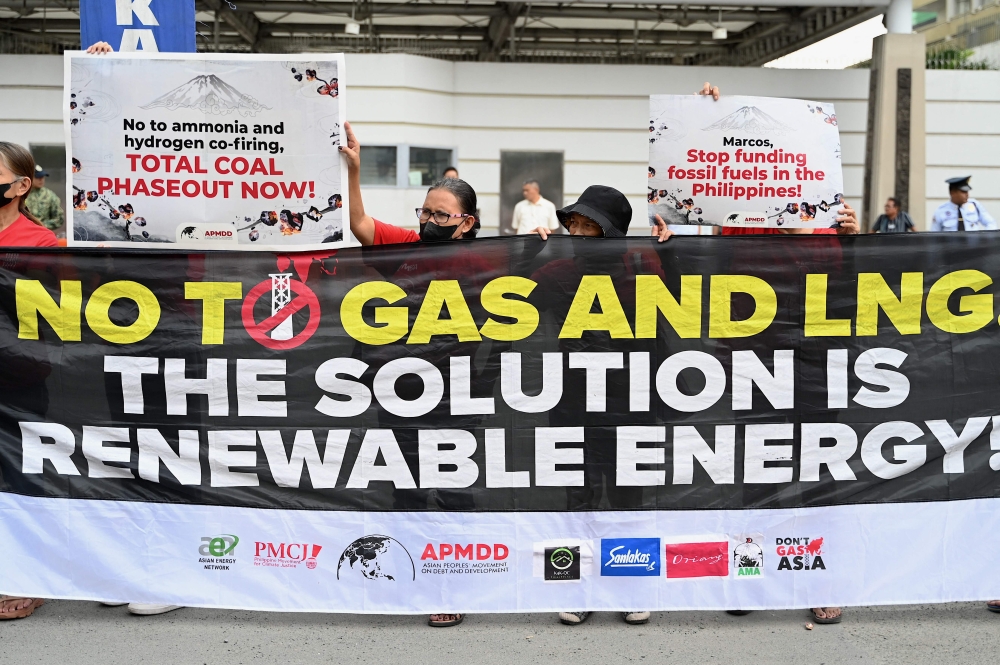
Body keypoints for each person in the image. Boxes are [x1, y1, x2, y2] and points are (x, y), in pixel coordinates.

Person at [0, 142, 58, 621]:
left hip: (16, 375)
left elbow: (59, 313)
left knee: (20, 475)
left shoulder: (41, 244)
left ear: (21, 185)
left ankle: (27, 576)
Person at [931, 176, 996, 231]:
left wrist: (984, 239)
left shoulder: (975, 205)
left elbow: (991, 223)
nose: (967, 195)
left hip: (973, 243)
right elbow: (934, 235)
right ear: (953, 192)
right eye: (963, 192)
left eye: (967, 192)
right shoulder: (941, 211)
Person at [24, 164, 65, 232]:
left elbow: (59, 219)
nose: (41, 180)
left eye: (43, 177)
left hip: (43, 233)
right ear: (29, 178)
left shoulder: (50, 195)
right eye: (37, 177)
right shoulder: (21, 194)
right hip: (24, 232)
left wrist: (41, 225)